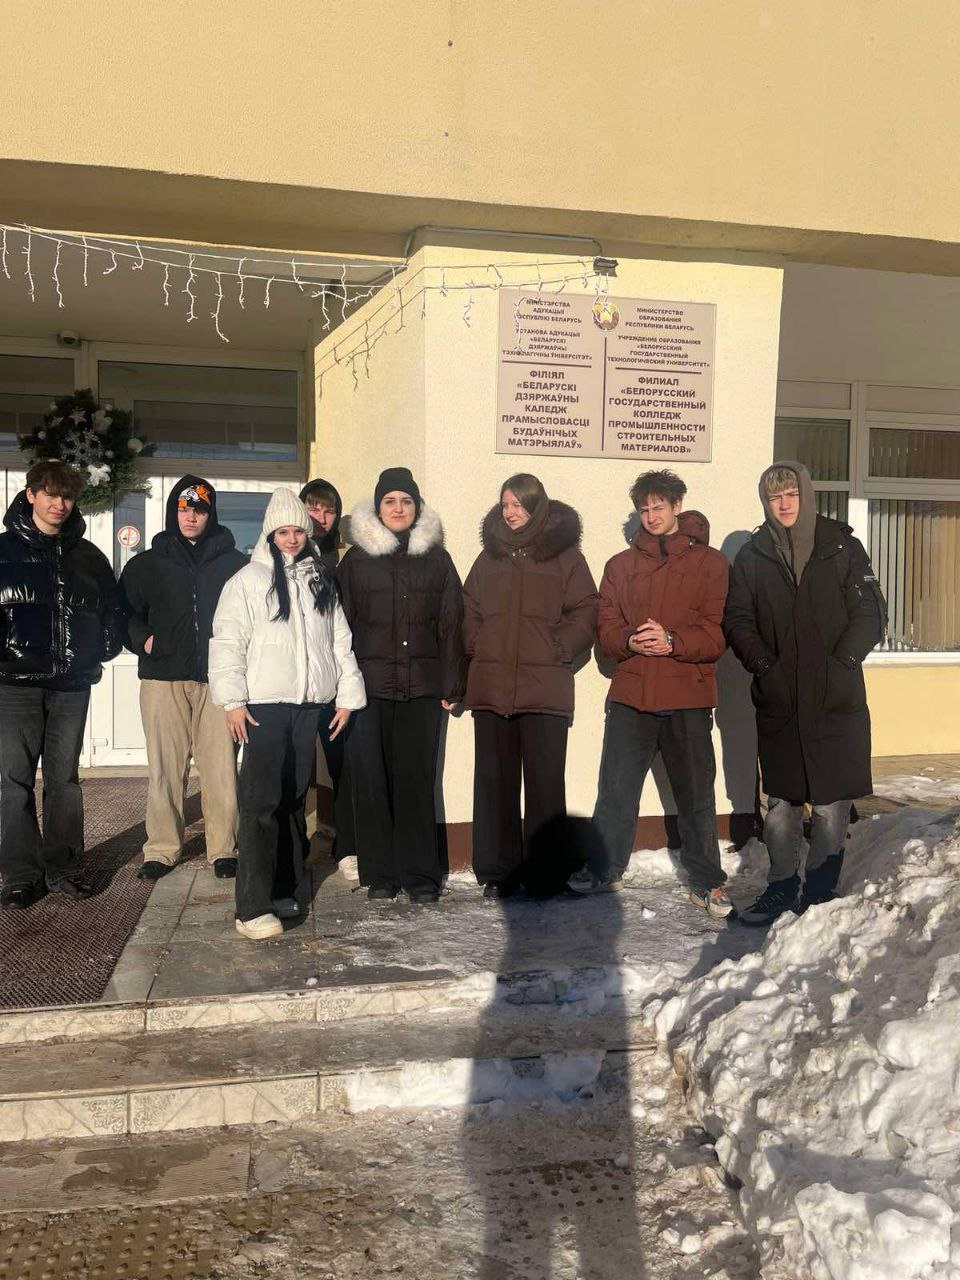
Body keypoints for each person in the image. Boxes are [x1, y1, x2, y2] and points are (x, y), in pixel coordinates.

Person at [723, 461, 886, 923]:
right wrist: (764, 667)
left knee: (832, 803)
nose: (784, 504)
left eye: (791, 494)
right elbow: (738, 620)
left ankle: (819, 891)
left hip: (835, 695)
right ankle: (780, 888)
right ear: (766, 503)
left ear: (807, 495)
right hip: (781, 696)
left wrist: (843, 664)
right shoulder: (753, 556)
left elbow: (870, 613)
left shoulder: (842, 546)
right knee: (781, 802)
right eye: (775, 497)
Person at [570, 470, 732, 917]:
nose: (652, 516)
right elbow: (605, 629)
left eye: (659, 507)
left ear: (678, 506)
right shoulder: (620, 566)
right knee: (616, 789)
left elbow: (717, 634)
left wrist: (673, 641)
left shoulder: (711, 564)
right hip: (632, 695)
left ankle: (708, 881)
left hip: (688, 697)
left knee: (696, 795)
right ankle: (605, 869)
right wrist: (629, 641)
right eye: (644, 509)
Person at [208, 488, 365, 940]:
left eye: (298, 530)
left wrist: (346, 695)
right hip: (262, 707)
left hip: (307, 706)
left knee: (294, 799)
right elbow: (227, 642)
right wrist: (233, 701)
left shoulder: (320, 580)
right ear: (269, 534)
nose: (292, 538)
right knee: (261, 803)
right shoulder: (247, 581)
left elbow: (339, 641)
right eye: (283, 531)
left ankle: (284, 889)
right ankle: (251, 907)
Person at [463, 474, 598, 897]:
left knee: (544, 785)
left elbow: (587, 610)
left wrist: (560, 646)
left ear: (537, 506)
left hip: (544, 689)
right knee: (495, 783)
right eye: (505, 504)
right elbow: (468, 607)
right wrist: (478, 643)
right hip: (493, 686)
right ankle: (499, 873)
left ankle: (546, 875)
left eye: (519, 504)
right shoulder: (489, 557)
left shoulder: (566, 558)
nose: (511, 512)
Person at [337, 467, 465, 904]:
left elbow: (452, 624)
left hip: (422, 689)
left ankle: (420, 875)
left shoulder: (437, 559)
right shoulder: (356, 561)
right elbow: (339, 628)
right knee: (373, 781)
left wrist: (452, 684)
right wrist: (342, 687)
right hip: (369, 690)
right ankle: (381, 874)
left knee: (416, 780)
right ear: (377, 508)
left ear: (417, 507)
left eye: (406, 501)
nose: (398, 509)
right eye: (390, 501)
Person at [0, 460, 124, 908]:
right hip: (14, 684)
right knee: (12, 780)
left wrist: (99, 650)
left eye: (67, 496)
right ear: (30, 495)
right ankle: (20, 874)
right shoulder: (2, 551)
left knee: (64, 780)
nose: (59, 504)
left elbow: (111, 610)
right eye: (50, 494)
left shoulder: (89, 556)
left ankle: (64, 868)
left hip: (71, 685)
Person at [119, 476, 248, 881]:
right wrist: (144, 640)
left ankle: (223, 847)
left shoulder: (236, 565)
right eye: (183, 509)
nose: (191, 517)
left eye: (200, 510)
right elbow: (123, 614)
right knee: (165, 767)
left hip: (218, 681)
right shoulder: (146, 564)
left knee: (220, 766)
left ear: (212, 514)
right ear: (172, 512)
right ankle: (162, 848)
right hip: (163, 680)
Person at [299, 476, 356, 880]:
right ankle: (293, 847)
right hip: (298, 682)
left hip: (335, 682)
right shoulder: (284, 556)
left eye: (329, 510)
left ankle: (347, 846)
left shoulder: (345, 561)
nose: (320, 516)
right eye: (313, 507)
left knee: (342, 765)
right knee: (296, 768)